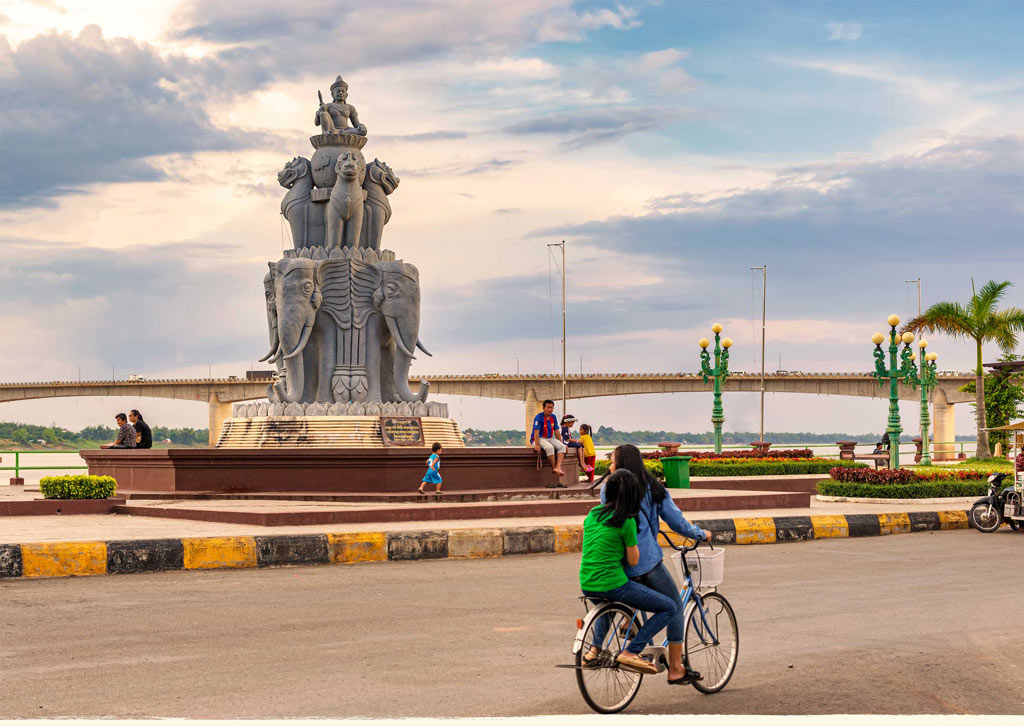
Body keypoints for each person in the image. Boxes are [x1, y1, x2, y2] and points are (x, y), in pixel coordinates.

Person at [595, 444, 712, 685]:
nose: (610, 466)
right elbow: (676, 522)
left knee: (620, 594)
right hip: (645, 562)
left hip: (618, 562)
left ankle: (621, 629)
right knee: (674, 606)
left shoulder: (608, 489)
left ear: (622, 466)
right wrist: (700, 534)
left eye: (613, 462)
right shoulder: (654, 489)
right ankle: (676, 668)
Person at [579, 469, 680, 675]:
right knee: (669, 607)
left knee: (606, 608)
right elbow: (633, 560)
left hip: (587, 582)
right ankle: (632, 651)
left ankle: (592, 651)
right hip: (613, 584)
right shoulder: (626, 521)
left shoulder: (592, 515)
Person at [531, 399, 566, 479]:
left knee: (562, 447)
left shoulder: (553, 417)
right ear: (543, 408)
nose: (550, 409)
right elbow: (536, 432)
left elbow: (557, 432)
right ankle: (553, 468)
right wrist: (536, 445)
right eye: (548, 407)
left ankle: (558, 467)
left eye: (551, 408)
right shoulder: (538, 417)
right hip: (538, 438)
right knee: (550, 448)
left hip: (549, 438)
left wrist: (561, 443)